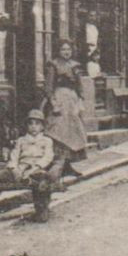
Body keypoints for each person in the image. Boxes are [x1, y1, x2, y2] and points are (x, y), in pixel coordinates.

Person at [45, 40, 89, 178]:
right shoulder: (54, 65)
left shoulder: (75, 65)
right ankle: (58, 165)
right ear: (58, 51)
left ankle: (68, 165)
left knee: (73, 132)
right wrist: (53, 103)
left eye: (68, 49)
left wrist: (81, 99)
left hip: (72, 101)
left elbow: (79, 84)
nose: (66, 52)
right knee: (59, 132)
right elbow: (49, 86)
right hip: (59, 99)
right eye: (63, 49)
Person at [8, 109, 59, 223]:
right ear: (26, 126)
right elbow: (14, 155)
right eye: (30, 123)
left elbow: (47, 157)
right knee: (3, 175)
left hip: (37, 168)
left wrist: (35, 167)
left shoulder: (46, 140)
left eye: (37, 124)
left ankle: (41, 209)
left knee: (40, 178)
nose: (33, 127)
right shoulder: (21, 140)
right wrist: (14, 168)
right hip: (22, 168)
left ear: (42, 127)